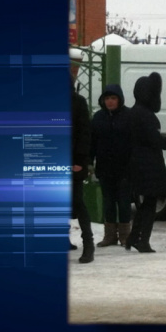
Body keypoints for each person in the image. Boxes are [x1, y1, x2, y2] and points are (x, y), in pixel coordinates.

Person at [125, 72, 166, 253]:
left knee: (144, 204)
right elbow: (153, 139)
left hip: (137, 163)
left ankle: (133, 237)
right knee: (150, 204)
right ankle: (142, 239)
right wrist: (165, 141)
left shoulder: (133, 112)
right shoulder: (147, 115)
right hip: (150, 164)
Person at [90, 84, 132, 247]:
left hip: (124, 168)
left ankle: (124, 235)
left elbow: (133, 141)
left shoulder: (128, 116)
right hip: (105, 167)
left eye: (113, 98)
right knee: (108, 202)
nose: (110, 102)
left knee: (124, 202)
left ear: (119, 99)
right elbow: (92, 141)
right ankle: (109, 235)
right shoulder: (98, 117)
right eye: (107, 98)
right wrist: (89, 160)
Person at [71, 81, 94, 263]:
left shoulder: (77, 102)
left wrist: (80, 160)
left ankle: (88, 244)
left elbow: (85, 133)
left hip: (73, 161)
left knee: (78, 203)